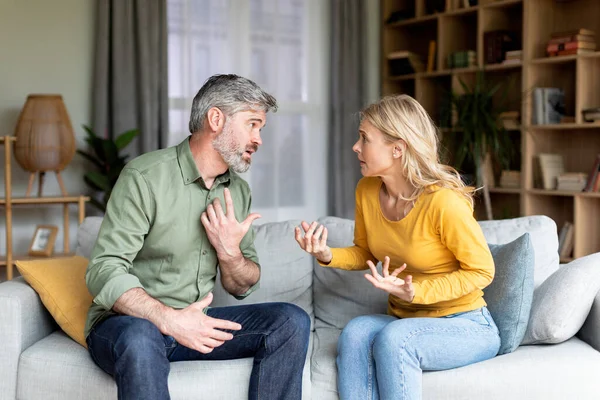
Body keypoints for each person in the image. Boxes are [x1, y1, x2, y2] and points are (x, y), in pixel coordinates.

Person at [85, 74, 311, 400]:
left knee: (290, 322)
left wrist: (230, 251)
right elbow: (103, 268)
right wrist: (168, 320)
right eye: (252, 125)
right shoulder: (145, 177)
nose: (259, 139)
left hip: (196, 324)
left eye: (260, 128)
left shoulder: (238, 191)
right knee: (139, 337)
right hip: (130, 323)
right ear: (216, 119)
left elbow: (241, 286)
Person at [295, 94, 500, 400]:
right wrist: (325, 254)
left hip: (465, 323)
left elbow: (482, 271)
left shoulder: (443, 202)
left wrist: (418, 292)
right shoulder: (367, 190)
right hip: (407, 321)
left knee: (394, 339)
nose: (355, 147)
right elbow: (366, 253)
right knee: (355, 332)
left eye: (365, 138)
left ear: (397, 148)